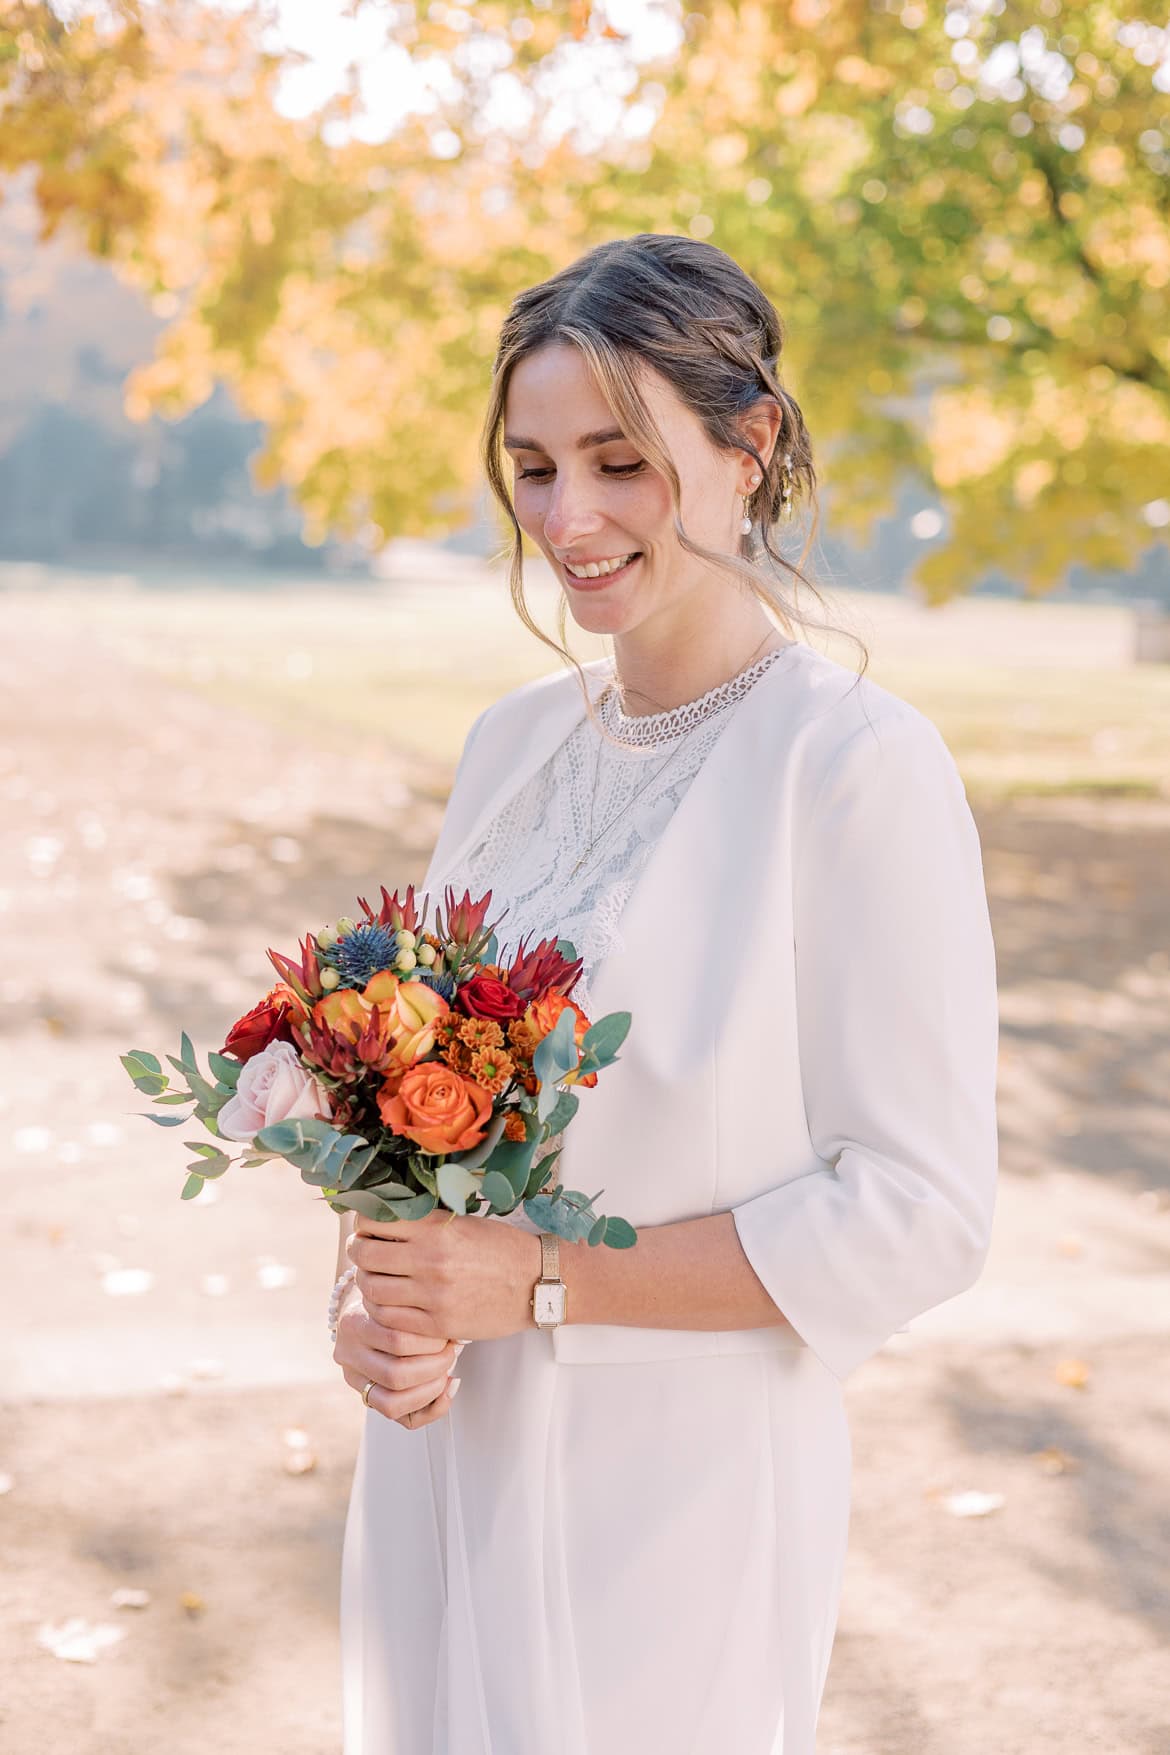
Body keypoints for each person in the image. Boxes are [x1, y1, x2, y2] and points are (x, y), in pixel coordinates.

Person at [330, 232, 999, 1754]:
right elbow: (420, 1112)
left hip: (677, 1486)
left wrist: (547, 1282)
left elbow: (918, 1208)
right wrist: (376, 1301)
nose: (568, 518)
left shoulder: (852, 768)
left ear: (746, 445)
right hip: (443, 1459)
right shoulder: (509, 744)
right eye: (535, 465)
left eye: (619, 461)